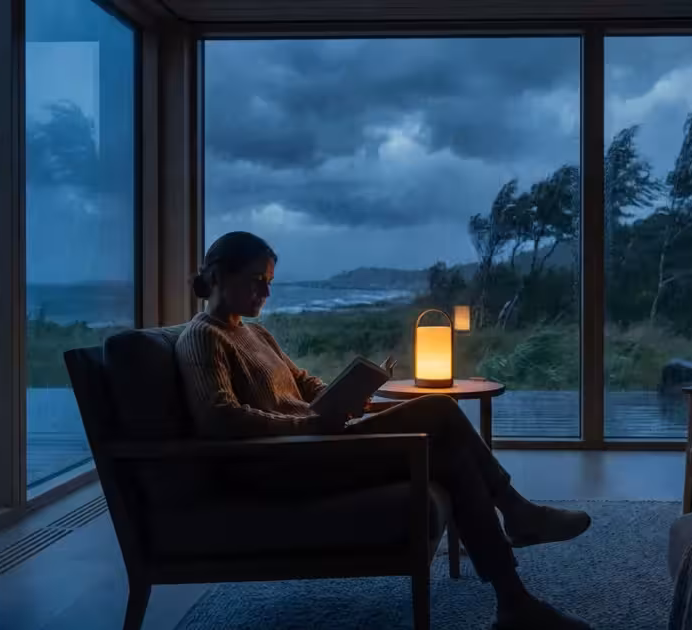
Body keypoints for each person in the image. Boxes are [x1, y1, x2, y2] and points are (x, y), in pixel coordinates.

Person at [176, 231, 593, 629]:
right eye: (256, 281)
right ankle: (517, 513)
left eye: (268, 282)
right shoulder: (203, 337)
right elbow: (220, 417)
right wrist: (310, 423)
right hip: (285, 462)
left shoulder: (255, 332)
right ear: (217, 276)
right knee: (438, 408)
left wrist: (345, 396)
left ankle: (513, 601)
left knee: (452, 457)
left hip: (316, 443)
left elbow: (301, 381)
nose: (265, 293)